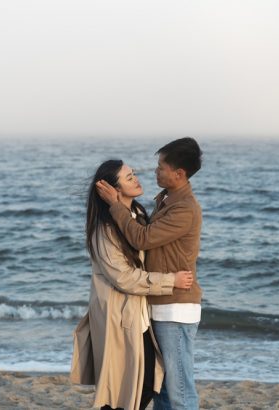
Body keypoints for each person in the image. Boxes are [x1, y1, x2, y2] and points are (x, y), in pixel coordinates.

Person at [70, 159, 194, 410]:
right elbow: (124, 278)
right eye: (129, 177)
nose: (136, 179)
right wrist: (171, 281)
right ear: (113, 189)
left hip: (138, 315)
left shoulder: (136, 216)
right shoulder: (105, 230)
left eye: (134, 174)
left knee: (144, 382)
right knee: (129, 386)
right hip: (119, 317)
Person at [96, 137, 203, 410]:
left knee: (179, 390)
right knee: (163, 389)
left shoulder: (184, 208)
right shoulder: (165, 200)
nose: (155, 171)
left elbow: (142, 239)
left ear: (179, 173)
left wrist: (115, 205)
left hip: (175, 308)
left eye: (161, 167)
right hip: (159, 306)